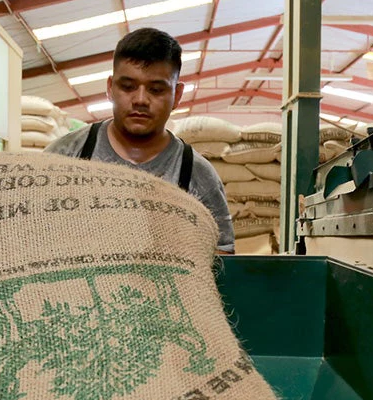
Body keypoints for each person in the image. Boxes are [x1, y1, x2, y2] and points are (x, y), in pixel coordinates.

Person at [46, 28, 234, 254]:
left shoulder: (195, 173)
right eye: (127, 87)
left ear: (178, 94)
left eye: (156, 89)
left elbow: (223, 256)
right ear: (109, 88)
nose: (141, 100)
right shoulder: (66, 156)